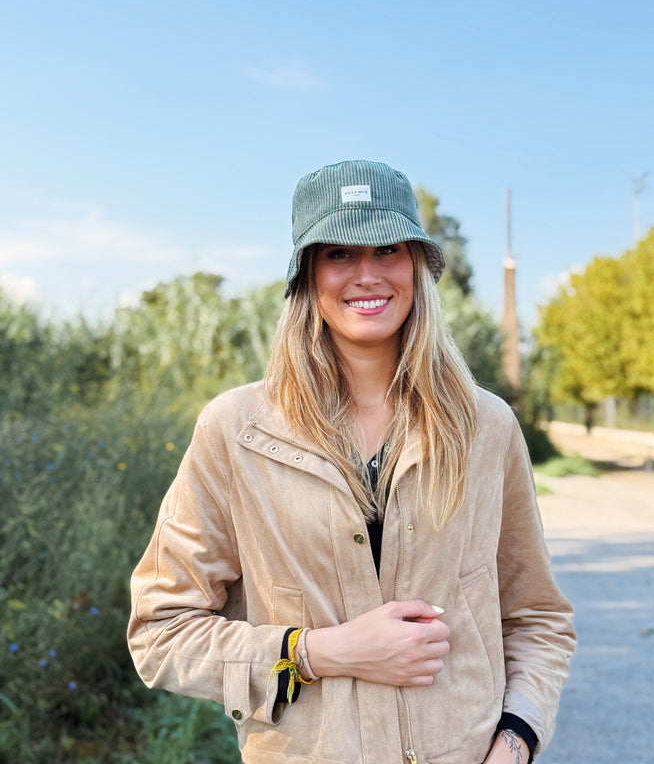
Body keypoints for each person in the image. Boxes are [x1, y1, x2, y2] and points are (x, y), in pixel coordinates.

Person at [128, 159, 575, 764]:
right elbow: (161, 631)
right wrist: (322, 652)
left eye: (387, 249)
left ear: (416, 266)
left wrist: (517, 740)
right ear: (307, 275)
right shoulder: (236, 432)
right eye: (338, 253)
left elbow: (536, 616)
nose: (367, 275)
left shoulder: (486, 426)